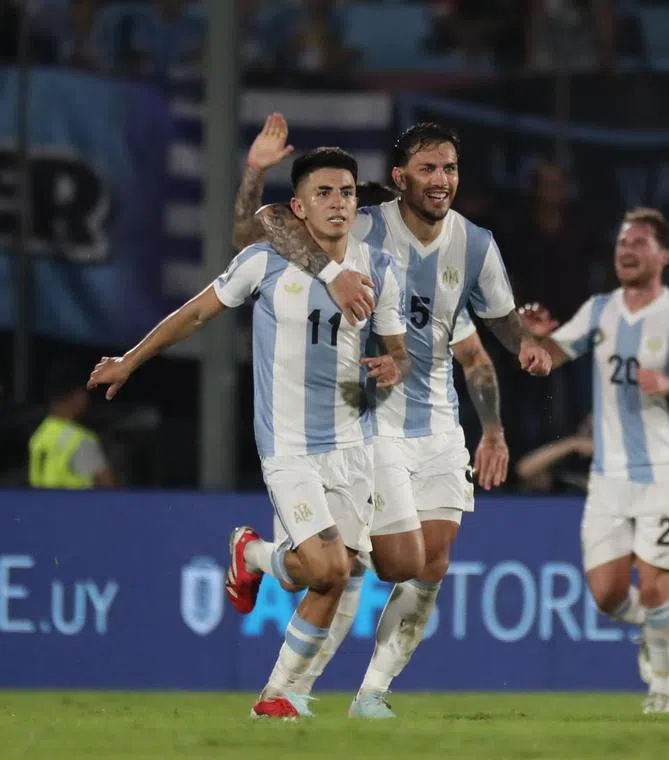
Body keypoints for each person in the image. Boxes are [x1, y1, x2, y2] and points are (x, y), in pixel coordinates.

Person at [230, 116, 552, 718]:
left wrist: (516, 375)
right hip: (368, 421)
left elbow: (488, 336)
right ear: (401, 178)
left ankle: (371, 693)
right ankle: (290, 689)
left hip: (438, 425)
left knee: (429, 564)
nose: (441, 179)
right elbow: (261, 228)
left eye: (450, 168)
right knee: (347, 567)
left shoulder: (475, 246)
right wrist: (258, 177)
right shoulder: (364, 226)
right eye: (428, 168)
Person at [88, 147, 410, 719]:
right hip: (288, 446)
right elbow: (195, 313)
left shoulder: (380, 269)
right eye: (323, 194)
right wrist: (130, 361)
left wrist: (394, 364)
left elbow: (398, 352)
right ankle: (277, 692)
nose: (338, 203)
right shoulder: (264, 261)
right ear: (299, 207)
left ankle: (257, 579)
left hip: (351, 444)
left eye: (346, 192)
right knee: (329, 569)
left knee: (333, 575)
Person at [520, 208, 669, 714]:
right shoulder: (600, 310)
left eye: (638, 243)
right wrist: (534, 338)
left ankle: (663, 690)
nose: (626, 251)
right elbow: (547, 360)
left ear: (664, 256)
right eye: (621, 243)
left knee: (656, 587)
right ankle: (653, 630)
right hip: (609, 479)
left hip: (667, 475)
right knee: (607, 596)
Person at [29, 359, 115, 489]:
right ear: (78, 395)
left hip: (39, 502)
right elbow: (108, 489)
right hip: (76, 502)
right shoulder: (80, 440)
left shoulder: (39, 436)